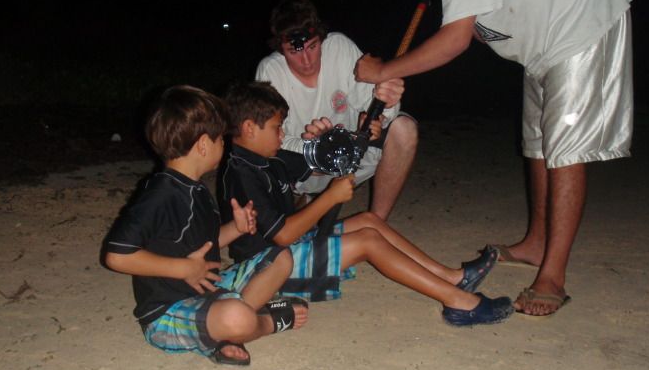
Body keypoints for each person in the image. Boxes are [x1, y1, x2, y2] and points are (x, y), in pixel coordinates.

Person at [356, 0, 633, 317]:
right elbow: (481, 34)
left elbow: (453, 42)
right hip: (544, 46)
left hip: (583, 21)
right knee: (539, 143)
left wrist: (385, 70)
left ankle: (553, 275)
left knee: (565, 149)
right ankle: (536, 243)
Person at [218, 81, 513, 327]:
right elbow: (282, 235)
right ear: (249, 128)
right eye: (277, 128)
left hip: (287, 249)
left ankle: (452, 278)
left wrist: (357, 138)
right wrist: (330, 197)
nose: (283, 135)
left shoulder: (271, 158)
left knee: (369, 220)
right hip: (266, 270)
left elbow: (323, 161)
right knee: (368, 241)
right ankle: (459, 303)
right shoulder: (241, 174)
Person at [101, 85, 308, 366]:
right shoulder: (160, 195)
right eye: (221, 138)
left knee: (280, 257)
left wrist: (235, 228)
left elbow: (204, 244)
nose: (225, 144)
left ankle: (227, 331)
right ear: (202, 145)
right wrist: (185, 269)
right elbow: (116, 256)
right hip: (168, 313)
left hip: (208, 289)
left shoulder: (195, 189)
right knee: (236, 316)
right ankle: (265, 323)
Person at [255, 0, 417, 220]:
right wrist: (318, 148)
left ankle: (376, 221)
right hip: (307, 171)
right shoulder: (270, 71)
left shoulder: (339, 47)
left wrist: (382, 114)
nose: (307, 61)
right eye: (295, 51)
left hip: (352, 160)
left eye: (313, 46)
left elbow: (376, 103)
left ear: (321, 37)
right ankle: (308, 199)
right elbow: (269, 141)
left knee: (404, 128)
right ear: (281, 48)